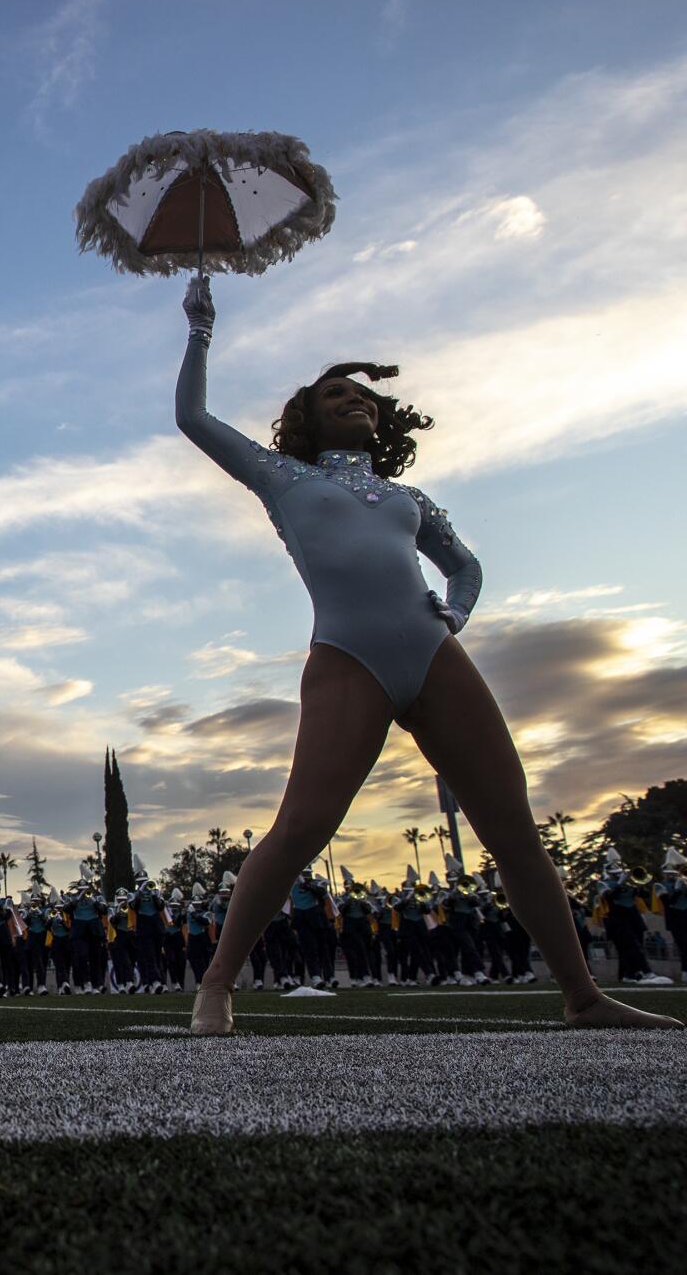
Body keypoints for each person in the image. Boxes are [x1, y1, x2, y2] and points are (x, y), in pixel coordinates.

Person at [173, 276, 677, 1034]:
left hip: (434, 655)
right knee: (305, 823)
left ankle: (583, 994)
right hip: (349, 657)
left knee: (511, 824)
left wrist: (459, 611)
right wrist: (201, 331)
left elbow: (465, 566)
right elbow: (191, 416)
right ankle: (218, 982)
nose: (358, 401)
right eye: (338, 394)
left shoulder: (409, 498)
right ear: (306, 417)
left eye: (366, 398)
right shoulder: (283, 478)